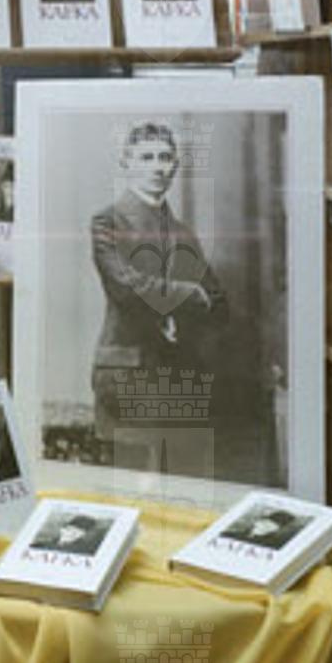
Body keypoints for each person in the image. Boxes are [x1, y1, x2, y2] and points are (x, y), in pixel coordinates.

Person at [90, 122, 227, 433]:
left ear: (175, 167)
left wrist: (183, 315)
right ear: (126, 163)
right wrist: (191, 296)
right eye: (146, 157)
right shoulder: (108, 222)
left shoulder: (183, 233)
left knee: (181, 461)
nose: (157, 167)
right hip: (125, 373)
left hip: (180, 373)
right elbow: (126, 288)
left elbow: (219, 305)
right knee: (130, 461)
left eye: (164, 158)